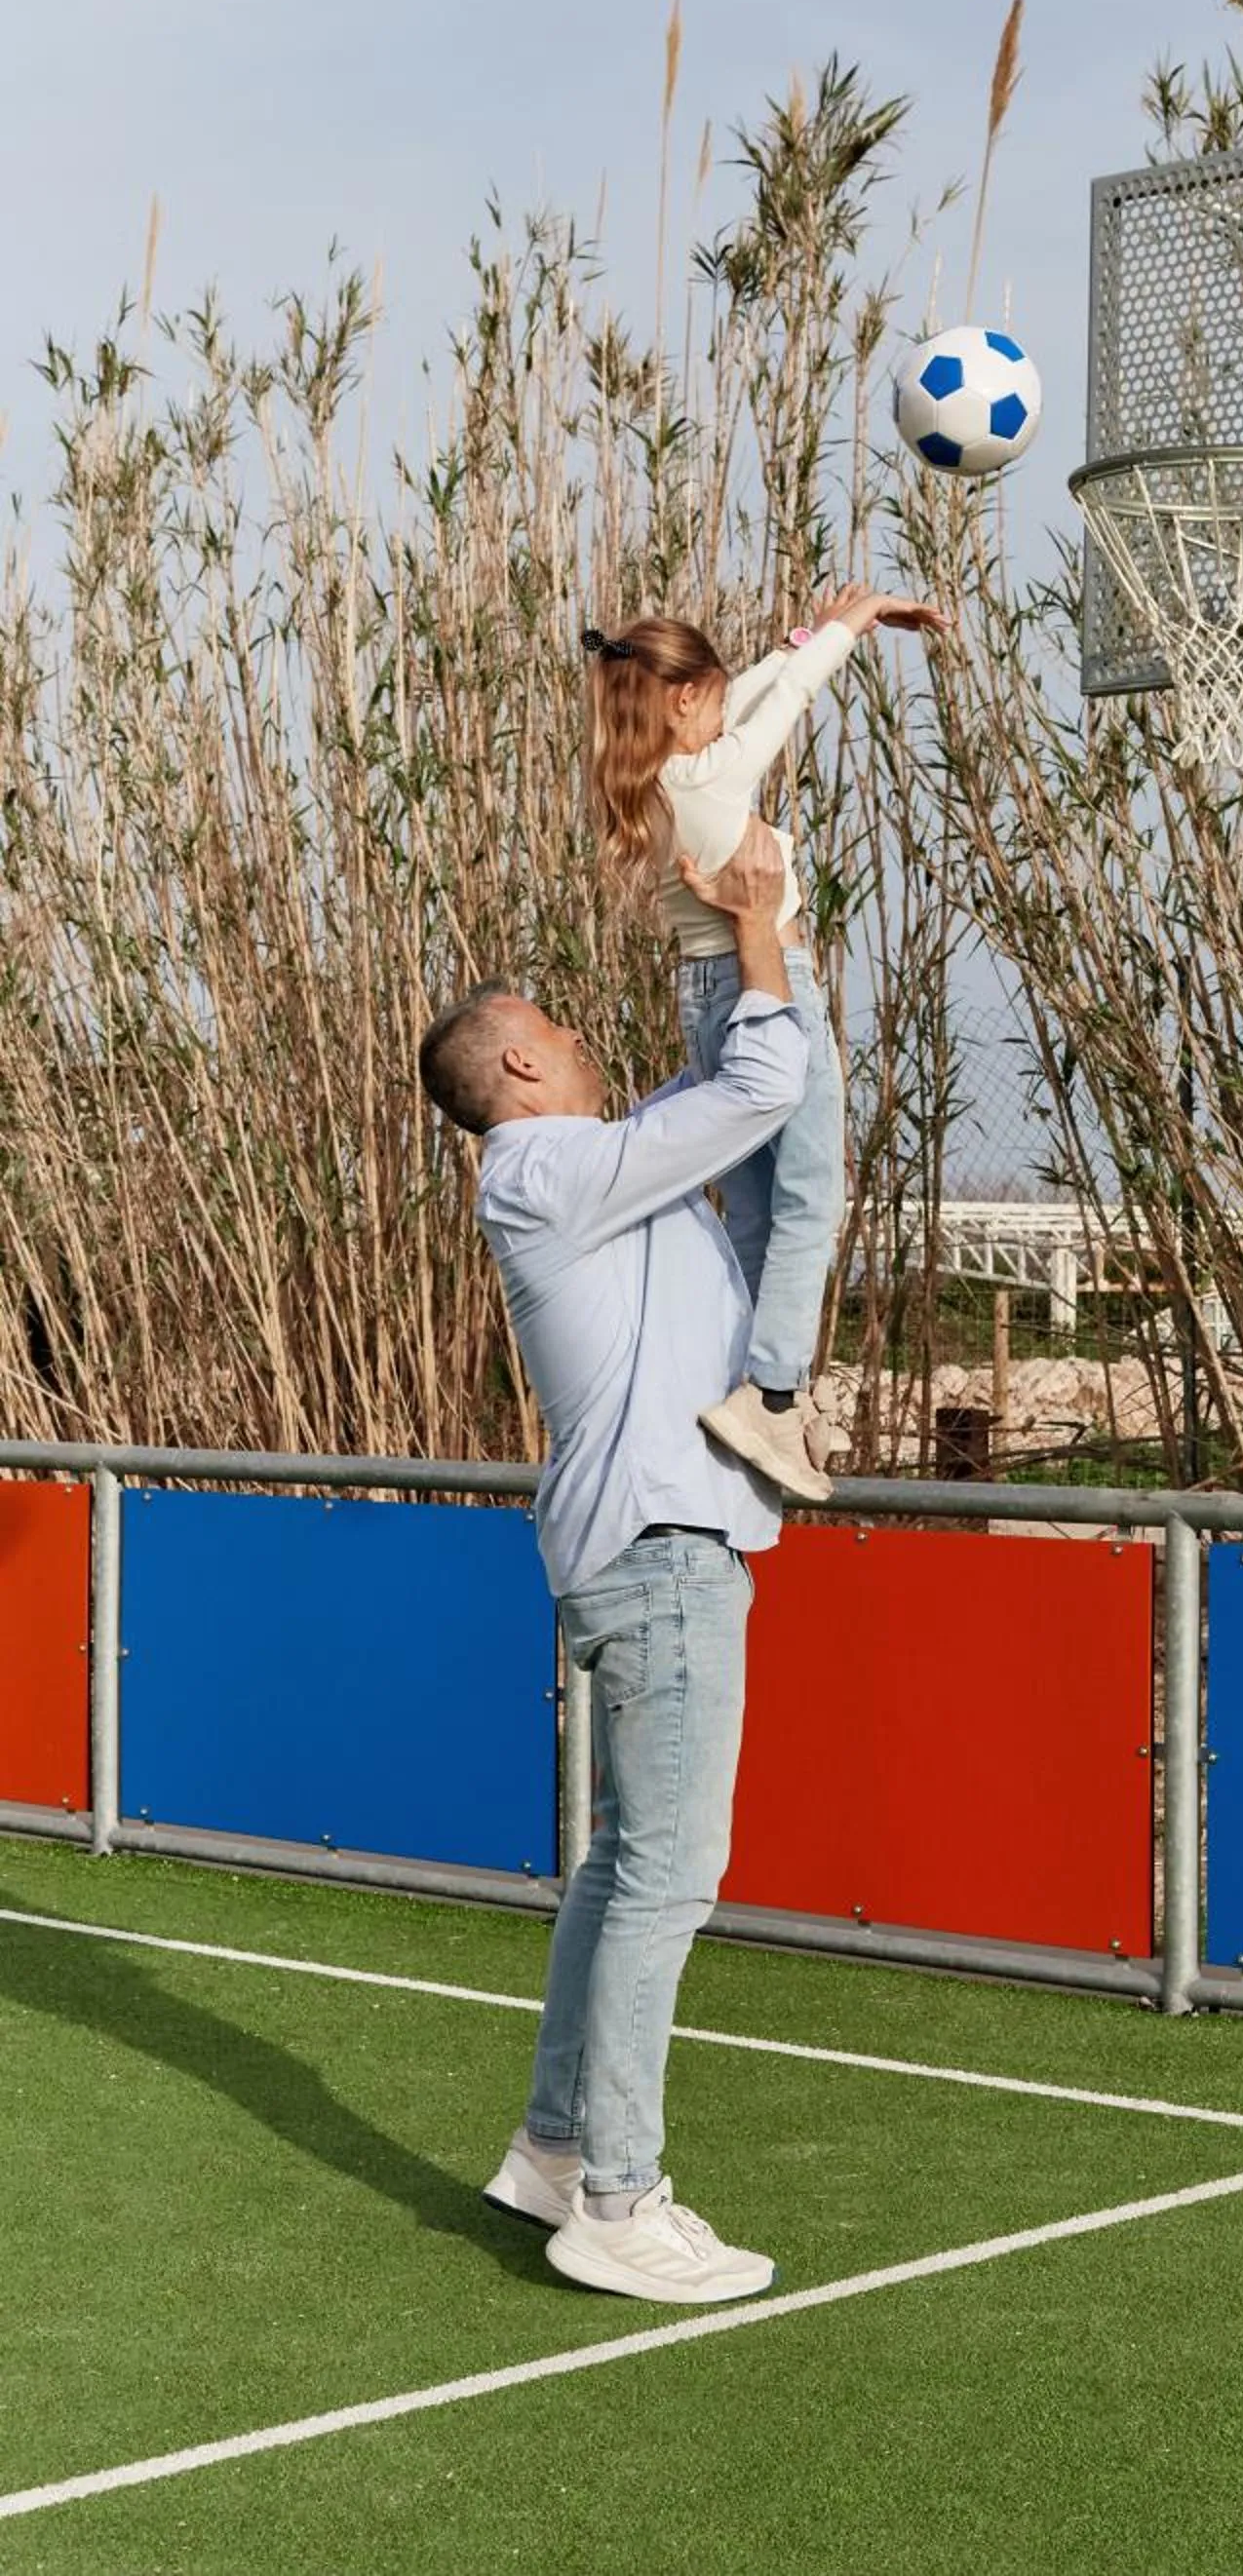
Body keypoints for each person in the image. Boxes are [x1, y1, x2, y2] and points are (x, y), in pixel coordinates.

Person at [416, 820, 806, 2303]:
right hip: (660, 1558)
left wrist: (733, 933)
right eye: (560, 1032)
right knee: (670, 1875)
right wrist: (758, 917)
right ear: (517, 1072)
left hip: (648, 1554)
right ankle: (621, 2202)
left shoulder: (584, 1170)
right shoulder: (543, 1171)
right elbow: (761, 1087)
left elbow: (711, 1097)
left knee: (621, 1869)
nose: (582, 1043)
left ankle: (555, 2151)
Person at [582, 582, 947, 1502]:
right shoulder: (705, 776)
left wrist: (809, 635)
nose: (722, 707)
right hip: (768, 988)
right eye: (708, 697)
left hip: (703, 998)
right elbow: (777, 704)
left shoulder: (651, 780)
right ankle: (775, 1394)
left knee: (752, 1211)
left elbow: (745, 695)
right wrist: (850, 630)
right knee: (813, 1196)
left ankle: (733, 1382)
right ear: (680, 702)